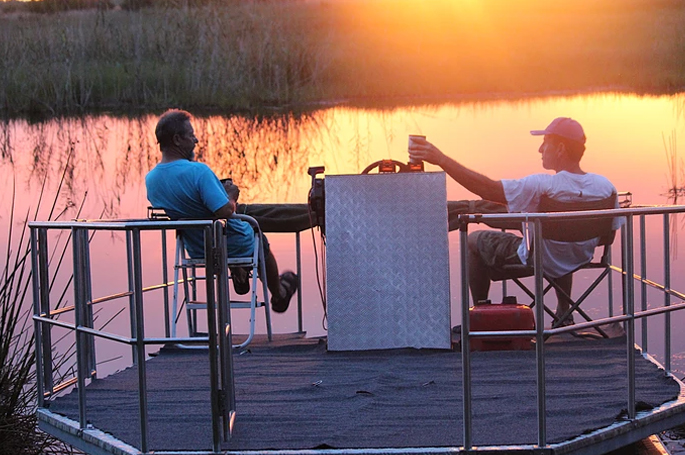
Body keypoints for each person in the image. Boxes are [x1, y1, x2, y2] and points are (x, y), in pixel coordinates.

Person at [408, 117, 617, 325]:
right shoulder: (605, 187)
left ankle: (481, 316)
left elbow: (488, 189)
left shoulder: (542, 185)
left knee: (474, 240)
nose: (540, 149)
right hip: (578, 257)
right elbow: (608, 236)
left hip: (541, 259)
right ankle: (564, 313)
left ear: (560, 148)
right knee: (556, 241)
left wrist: (442, 159)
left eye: (545, 143)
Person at [145, 109, 298, 313]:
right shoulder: (198, 171)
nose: (196, 140)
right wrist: (231, 194)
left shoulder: (151, 180)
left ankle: (239, 272)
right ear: (177, 139)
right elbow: (225, 210)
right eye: (191, 135)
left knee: (226, 233)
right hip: (231, 242)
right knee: (259, 238)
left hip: (197, 248)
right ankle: (279, 294)